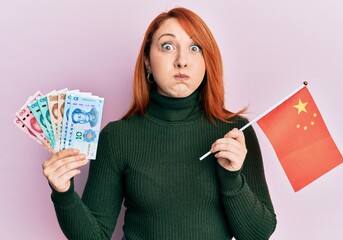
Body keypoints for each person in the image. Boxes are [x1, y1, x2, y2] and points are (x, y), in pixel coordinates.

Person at [42, 7, 277, 240]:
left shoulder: (234, 132)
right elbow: (96, 236)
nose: (182, 61)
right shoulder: (117, 137)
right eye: (167, 46)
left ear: (207, 61)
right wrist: (63, 194)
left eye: (195, 48)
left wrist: (231, 177)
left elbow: (258, 234)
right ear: (147, 61)